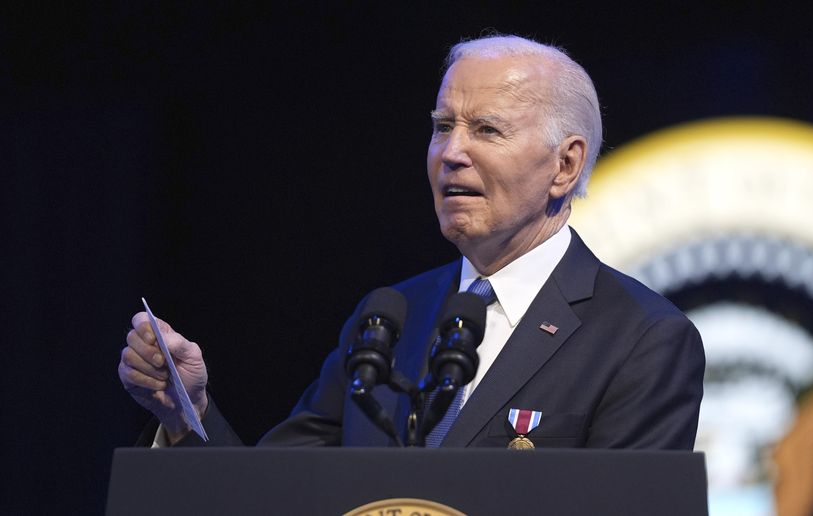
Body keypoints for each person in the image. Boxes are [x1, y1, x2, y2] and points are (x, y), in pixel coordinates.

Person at [119, 34, 705, 449]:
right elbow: (273, 498)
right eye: (442, 126)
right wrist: (187, 412)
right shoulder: (388, 320)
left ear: (565, 165)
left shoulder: (644, 340)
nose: (451, 153)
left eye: (486, 130)